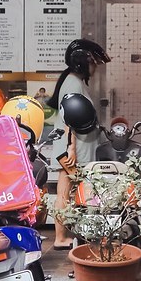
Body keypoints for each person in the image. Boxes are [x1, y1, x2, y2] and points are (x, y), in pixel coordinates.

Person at [48, 38, 111, 250]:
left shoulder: (72, 80)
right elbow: (69, 117)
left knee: (65, 192)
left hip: (74, 146)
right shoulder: (73, 82)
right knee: (73, 192)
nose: (94, 68)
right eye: (93, 63)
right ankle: (69, 236)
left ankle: (64, 236)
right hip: (75, 148)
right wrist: (71, 147)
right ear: (83, 62)